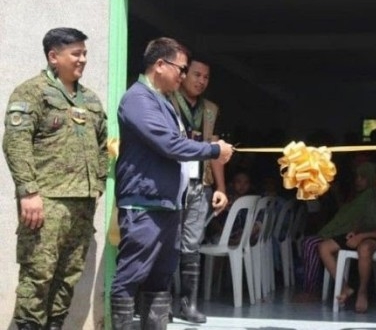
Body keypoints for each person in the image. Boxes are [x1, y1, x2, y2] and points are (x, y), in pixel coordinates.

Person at [110, 37, 233, 330]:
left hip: (166, 204)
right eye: (181, 68)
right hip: (144, 203)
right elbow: (169, 144)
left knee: (160, 277)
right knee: (131, 275)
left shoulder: (162, 102)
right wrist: (214, 150)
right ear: (160, 65)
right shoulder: (138, 99)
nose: (183, 75)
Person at [2, 27, 107, 330]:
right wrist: (28, 192)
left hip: (82, 205)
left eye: (84, 53)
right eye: (76, 53)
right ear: (53, 56)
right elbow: (16, 143)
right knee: (38, 277)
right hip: (45, 203)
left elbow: (102, 145)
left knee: (67, 279)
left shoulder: (90, 99)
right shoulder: (31, 92)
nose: (83, 59)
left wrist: (97, 185)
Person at [169, 56, 226, 323]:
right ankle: (164, 304)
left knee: (191, 245)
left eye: (206, 77)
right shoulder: (167, 101)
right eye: (196, 75)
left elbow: (216, 151)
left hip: (199, 184)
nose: (201, 81)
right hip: (170, 182)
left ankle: (188, 305)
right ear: (183, 74)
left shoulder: (210, 109)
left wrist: (221, 188)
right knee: (167, 242)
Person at [318, 163, 376, 313]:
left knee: (364, 248)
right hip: (361, 235)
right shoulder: (371, 197)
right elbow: (361, 219)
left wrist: (363, 235)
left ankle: (362, 293)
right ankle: (344, 287)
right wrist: (354, 231)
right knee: (324, 247)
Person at [294, 161, 376, 302]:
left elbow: (352, 221)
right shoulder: (359, 196)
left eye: (362, 178)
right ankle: (320, 288)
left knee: (309, 243)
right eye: (357, 177)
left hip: (348, 236)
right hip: (342, 235)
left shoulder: (368, 197)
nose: (358, 181)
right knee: (311, 242)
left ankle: (311, 291)